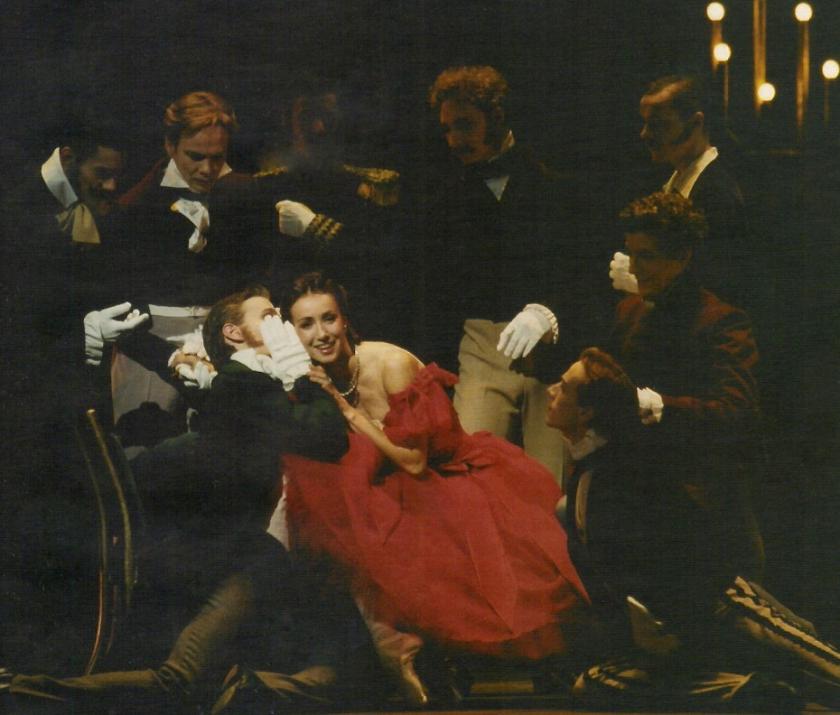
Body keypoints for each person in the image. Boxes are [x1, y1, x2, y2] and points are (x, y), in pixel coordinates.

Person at [2, 286, 376, 714]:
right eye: (268, 315)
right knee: (182, 680)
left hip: (240, 554)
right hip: (222, 555)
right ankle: (18, 693)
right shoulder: (247, 383)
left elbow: (189, 373)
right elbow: (327, 438)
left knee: (342, 665)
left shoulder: (241, 380)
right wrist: (302, 373)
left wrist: (144, 345)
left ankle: (245, 689)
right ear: (234, 333)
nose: (281, 323)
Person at [278, 272, 590, 706]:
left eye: (328, 319)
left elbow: (414, 461)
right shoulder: (308, 378)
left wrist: (347, 410)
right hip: (395, 483)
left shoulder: (389, 364)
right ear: (292, 332)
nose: (321, 333)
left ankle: (535, 664)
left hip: (447, 476)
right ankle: (406, 655)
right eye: (307, 324)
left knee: (502, 580)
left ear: (345, 320)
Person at [544, 347, 840, 709]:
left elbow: (694, 560)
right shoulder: (588, 474)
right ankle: (747, 688)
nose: (551, 391)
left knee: (820, 663)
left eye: (563, 387)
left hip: (717, 603)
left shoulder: (626, 470)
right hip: (673, 628)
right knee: (591, 683)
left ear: (586, 412)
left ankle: (757, 682)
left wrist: (676, 627)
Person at [422, 65, 605, 485]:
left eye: (465, 125)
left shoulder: (555, 179)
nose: (454, 140)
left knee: (550, 483)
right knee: (471, 477)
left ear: (497, 116)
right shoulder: (443, 196)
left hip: (551, 353)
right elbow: (432, 292)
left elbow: (587, 271)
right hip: (483, 346)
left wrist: (549, 314)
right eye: (447, 129)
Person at [112, 91, 275, 441]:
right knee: (149, 447)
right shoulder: (137, 206)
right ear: (170, 146)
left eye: (217, 158)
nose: (207, 169)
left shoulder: (247, 196)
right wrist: (169, 358)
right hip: (152, 348)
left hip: (228, 343)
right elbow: (119, 305)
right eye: (195, 156)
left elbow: (260, 276)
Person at [610, 74, 751, 309]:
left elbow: (719, 287)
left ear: (695, 124)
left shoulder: (718, 193)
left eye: (658, 124)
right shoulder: (672, 181)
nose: (645, 134)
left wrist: (643, 284)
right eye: (645, 123)